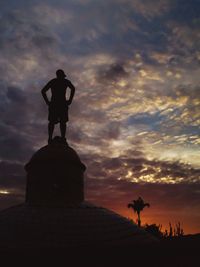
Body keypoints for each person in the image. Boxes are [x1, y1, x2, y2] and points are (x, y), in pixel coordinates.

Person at [41, 69, 75, 144]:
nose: (62, 77)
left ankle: (60, 138)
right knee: (54, 122)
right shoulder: (60, 81)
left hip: (58, 104)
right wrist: (47, 102)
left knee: (59, 122)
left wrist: (70, 100)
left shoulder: (58, 81)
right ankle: (51, 138)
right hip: (57, 104)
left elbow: (73, 89)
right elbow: (43, 91)